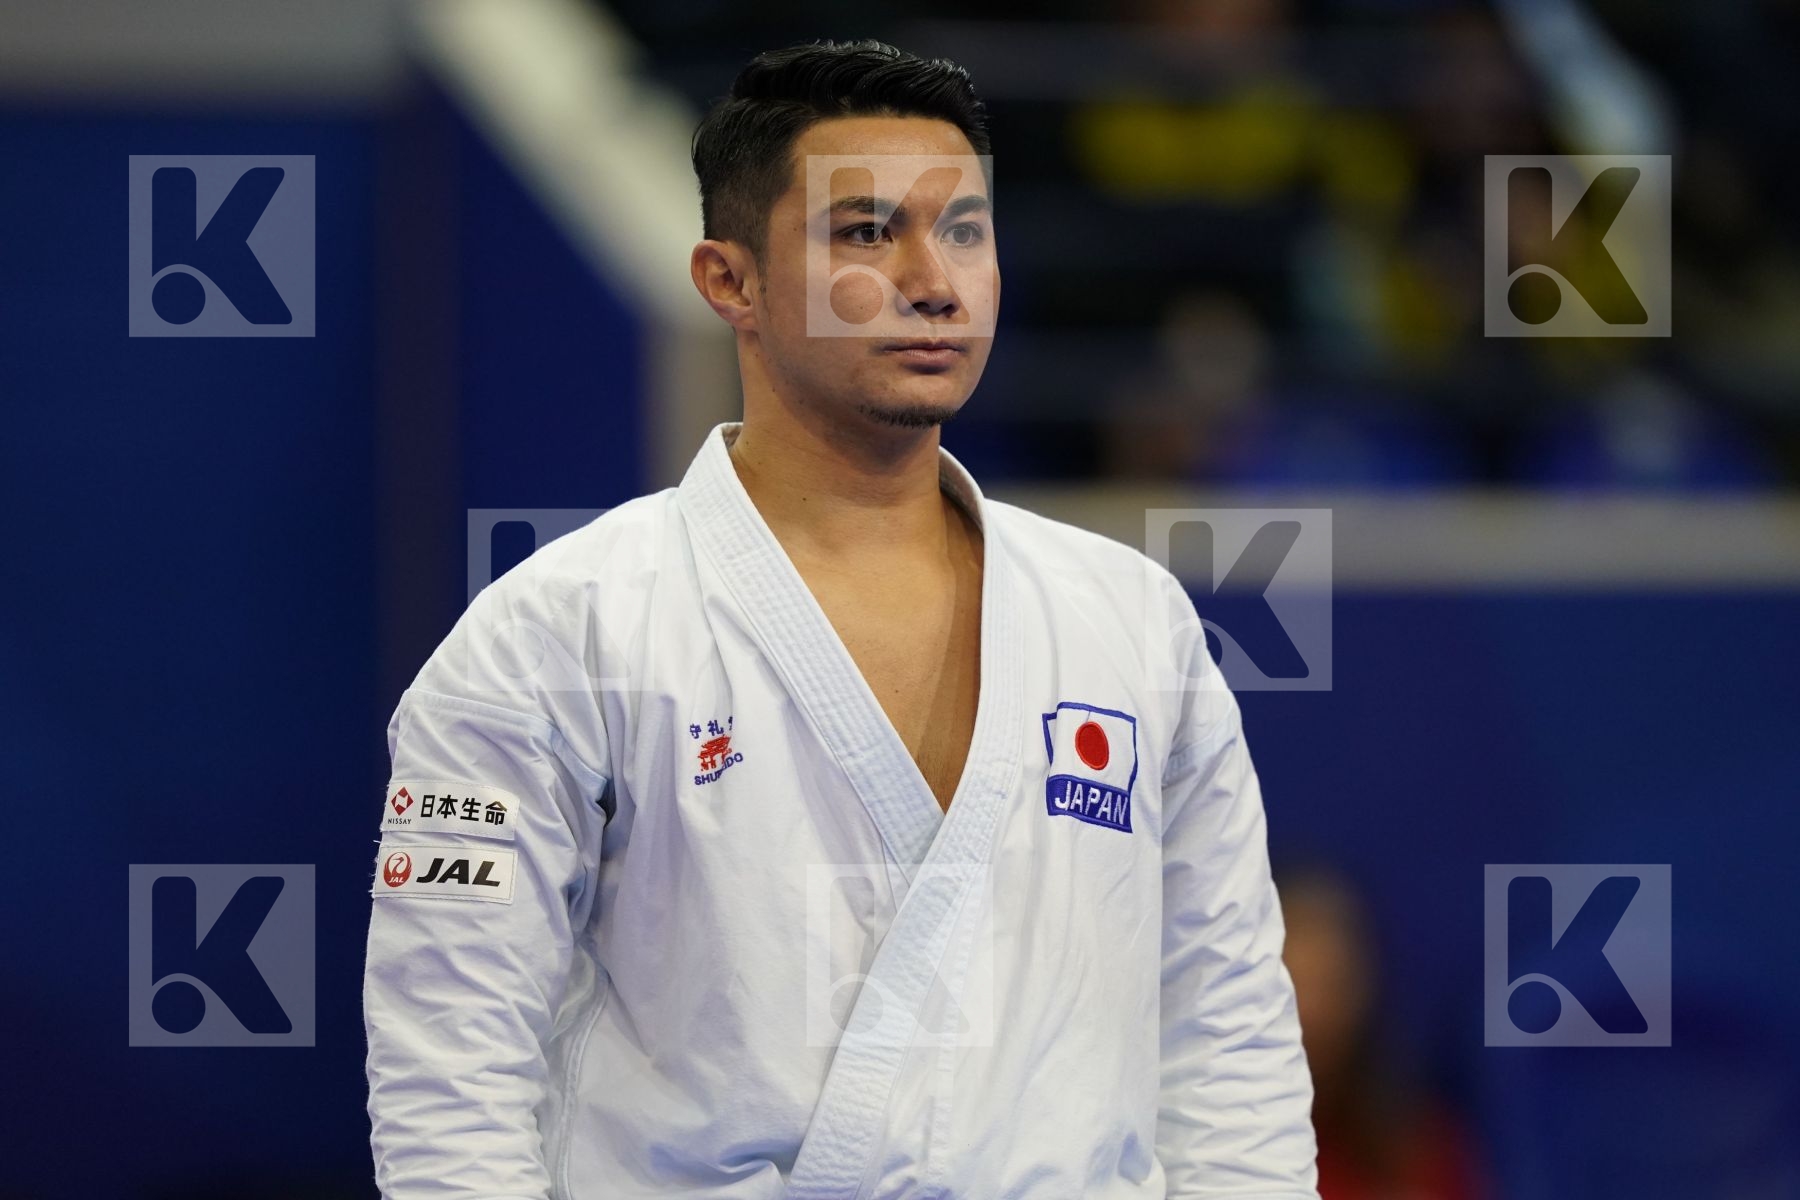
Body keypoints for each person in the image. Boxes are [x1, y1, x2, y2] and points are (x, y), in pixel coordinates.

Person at [364, 39, 1318, 1199]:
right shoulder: (558, 633)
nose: (936, 278)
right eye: (867, 232)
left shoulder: (1127, 618)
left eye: (965, 229)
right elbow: (450, 1073)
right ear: (731, 280)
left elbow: (1228, 1034)